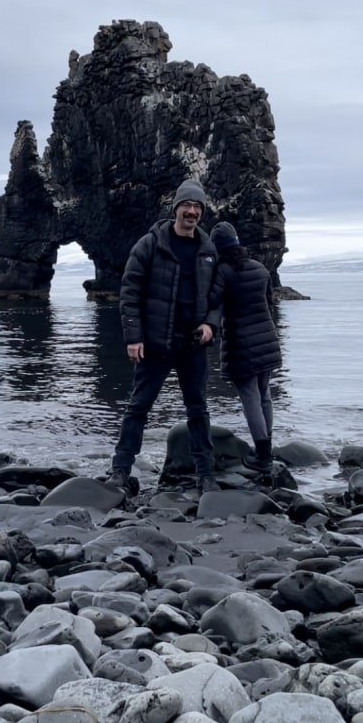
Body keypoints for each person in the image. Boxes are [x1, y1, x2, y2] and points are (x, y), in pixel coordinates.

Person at [107, 179, 223, 493]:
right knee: (138, 407)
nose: (192, 211)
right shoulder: (150, 244)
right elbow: (130, 292)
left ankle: (206, 475)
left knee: (198, 410)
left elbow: (217, 297)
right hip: (156, 344)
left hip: (193, 345)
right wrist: (134, 337)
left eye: (197, 206)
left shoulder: (208, 250)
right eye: (186, 205)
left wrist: (211, 325)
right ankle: (120, 470)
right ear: (175, 209)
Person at [209, 221, 281, 479]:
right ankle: (267, 448)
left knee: (249, 397)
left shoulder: (223, 272)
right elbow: (270, 303)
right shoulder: (261, 269)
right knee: (264, 395)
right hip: (268, 339)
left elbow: (212, 301)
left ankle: (262, 456)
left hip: (241, 343)